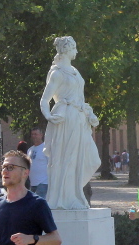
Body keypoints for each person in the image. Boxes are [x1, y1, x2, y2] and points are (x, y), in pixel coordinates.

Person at [39, 36, 101, 210]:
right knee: (67, 159)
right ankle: (65, 199)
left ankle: (73, 194)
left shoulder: (74, 71)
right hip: (65, 118)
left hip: (79, 118)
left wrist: (89, 114)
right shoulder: (57, 73)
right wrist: (48, 116)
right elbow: (44, 99)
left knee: (90, 159)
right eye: (74, 48)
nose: (77, 51)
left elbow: (80, 99)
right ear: (67, 50)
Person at [27, 127, 49, 199]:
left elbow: (51, 165)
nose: (34, 136)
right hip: (32, 183)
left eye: (36, 134)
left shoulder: (46, 148)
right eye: (32, 134)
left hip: (43, 182)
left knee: (40, 203)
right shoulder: (30, 150)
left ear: (41, 135)